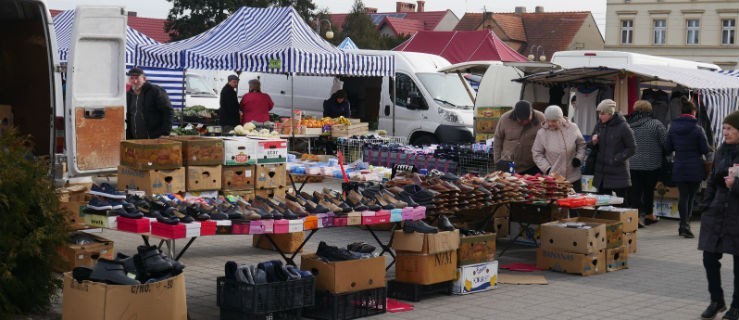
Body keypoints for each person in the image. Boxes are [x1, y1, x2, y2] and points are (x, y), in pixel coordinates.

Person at [698, 110, 739, 320]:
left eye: (730, 128)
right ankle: (717, 300)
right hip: (716, 212)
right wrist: (706, 206)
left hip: (736, 214)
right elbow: (713, 180)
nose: (725, 132)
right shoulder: (721, 151)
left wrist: (736, 185)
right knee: (709, 257)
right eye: (724, 128)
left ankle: (736, 306)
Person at [665, 97, 710, 238]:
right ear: (693, 112)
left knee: (683, 196)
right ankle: (685, 225)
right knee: (691, 197)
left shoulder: (672, 128)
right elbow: (705, 149)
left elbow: (667, 149)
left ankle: (683, 224)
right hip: (695, 167)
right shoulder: (698, 129)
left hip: (679, 165)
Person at [627, 100, 667, 227]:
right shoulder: (656, 124)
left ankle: (636, 218)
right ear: (649, 110)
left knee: (635, 192)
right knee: (649, 190)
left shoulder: (629, 124)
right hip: (652, 164)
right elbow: (665, 143)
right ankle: (649, 215)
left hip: (632, 163)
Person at [589, 99, 636, 201]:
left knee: (621, 203)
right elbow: (591, 145)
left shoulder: (623, 126)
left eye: (603, 113)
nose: (600, 116)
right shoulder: (599, 125)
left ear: (610, 113)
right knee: (602, 205)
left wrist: (616, 158)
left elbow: (632, 148)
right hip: (602, 173)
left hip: (618, 172)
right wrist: (593, 142)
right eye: (599, 113)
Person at [532, 105, 586, 192]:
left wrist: (579, 159)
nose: (550, 123)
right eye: (548, 120)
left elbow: (581, 145)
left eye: (553, 121)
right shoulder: (542, 133)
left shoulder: (573, 128)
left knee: (575, 204)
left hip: (573, 178)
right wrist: (547, 168)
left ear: (560, 119)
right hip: (553, 180)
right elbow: (537, 153)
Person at [493, 100, 545, 174]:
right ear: (515, 115)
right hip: (507, 163)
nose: (524, 122)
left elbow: (546, 139)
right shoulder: (505, 118)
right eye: (521, 120)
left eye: (527, 119)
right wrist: (497, 160)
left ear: (531, 112)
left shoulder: (541, 118)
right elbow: (498, 139)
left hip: (531, 165)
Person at [125, 67, 173, 139]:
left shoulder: (155, 91)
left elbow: (168, 111)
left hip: (154, 138)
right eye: (132, 78)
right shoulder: (128, 95)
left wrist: (165, 133)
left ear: (144, 79)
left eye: (137, 78)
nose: (134, 81)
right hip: (134, 140)